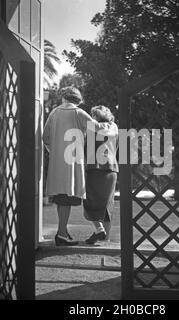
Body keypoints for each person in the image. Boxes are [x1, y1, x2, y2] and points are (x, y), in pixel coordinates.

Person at [43, 87, 112, 246]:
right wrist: (111, 124)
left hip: (57, 162)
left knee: (61, 198)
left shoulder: (54, 113)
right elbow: (97, 128)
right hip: (73, 161)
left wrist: (55, 151)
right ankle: (61, 234)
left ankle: (62, 232)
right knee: (67, 197)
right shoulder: (79, 113)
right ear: (77, 100)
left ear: (64, 98)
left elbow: (45, 137)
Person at [83, 106, 119, 244]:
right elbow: (115, 147)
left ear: (95, 116)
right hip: (111, 169)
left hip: (95, 168)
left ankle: (99, 230)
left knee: (89, 201)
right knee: (107, 206)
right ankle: (106, 239)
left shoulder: (92, 126)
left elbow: (85, 147)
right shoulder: (114, 127)